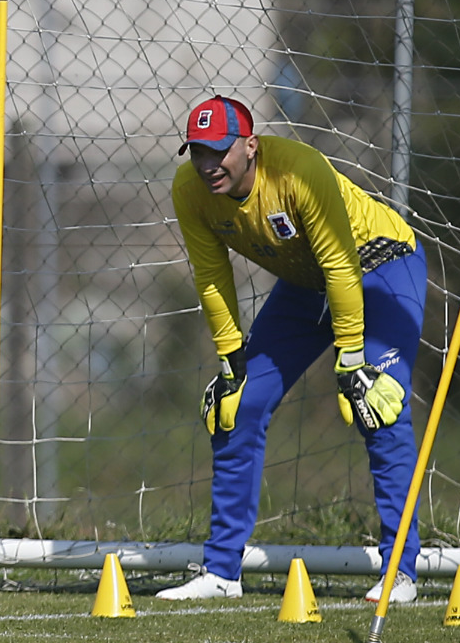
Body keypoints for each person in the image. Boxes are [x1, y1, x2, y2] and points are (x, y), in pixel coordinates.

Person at [158, 95, 426, 604]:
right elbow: (211, 275)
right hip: (307, 283)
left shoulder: (301, 171)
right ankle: (221, 573)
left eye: (220, 151)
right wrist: (230, 358)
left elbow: (343, 265)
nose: (209, 164)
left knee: (378, 403)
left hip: (382, 266)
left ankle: (401, 573)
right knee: (236, 408)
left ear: (251, 146)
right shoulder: (189, 191)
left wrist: (350, 360)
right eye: (198, 152)